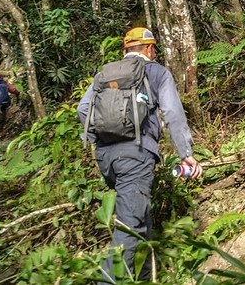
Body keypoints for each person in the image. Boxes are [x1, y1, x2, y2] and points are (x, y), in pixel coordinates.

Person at [77, 27, 202, 281]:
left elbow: (82, 109)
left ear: (125, 50)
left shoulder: (104, 74)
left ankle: (145, 277)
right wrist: (186, 153)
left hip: (106, 159)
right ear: (149, 49)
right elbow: (173, 115)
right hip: (136, 155)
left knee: (139, 214)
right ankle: (108, 280)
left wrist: (102, 139)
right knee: (130, 224)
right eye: (153, 49)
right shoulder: (156, 72)